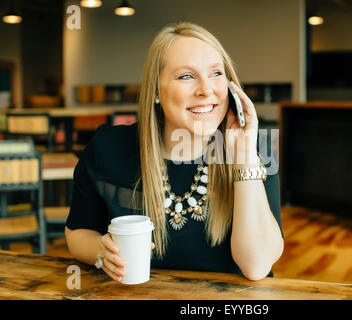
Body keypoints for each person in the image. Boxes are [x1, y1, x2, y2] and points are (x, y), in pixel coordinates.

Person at [65, 22, 284, 282]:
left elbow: (256, 266)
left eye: (216, 73)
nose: (206, 89)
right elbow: (78, 232)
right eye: (186, 76)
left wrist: (243, 154)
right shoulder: (108, 148)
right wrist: (100, 250)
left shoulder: (254, 149)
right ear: (156, 89)